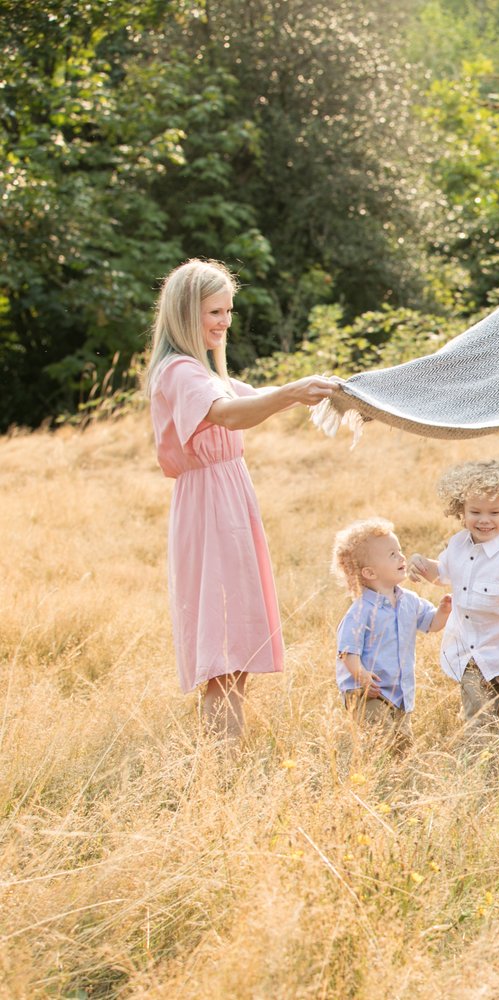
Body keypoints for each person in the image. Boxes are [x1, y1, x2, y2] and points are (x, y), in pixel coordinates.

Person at [144, 259, 341, 740]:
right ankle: (221, 769)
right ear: (185, 313)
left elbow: (254, 396)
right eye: (215, 311)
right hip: (211, 507)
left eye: (228, 311)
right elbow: (229, 414)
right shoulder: (180, 371)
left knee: (235, 653)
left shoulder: (204, 371)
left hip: (226, 501)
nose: (225, 322)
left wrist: (313, 389)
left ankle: (225, 763)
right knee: (225, 651)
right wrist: (292, 392)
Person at [407, 460, 499, 739]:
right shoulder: (458, 544)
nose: (484, 520)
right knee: (478, 725)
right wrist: (421, 564)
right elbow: (443, 574)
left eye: (494, 512)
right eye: (475, 512)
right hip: (470, 655)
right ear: (460, 511)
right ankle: (485, 771)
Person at [331, 519, 452, 748]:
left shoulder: (409, 601)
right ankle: (366, 773)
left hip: (399, 692)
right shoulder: (360, 610)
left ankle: (395, 779)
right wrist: (361, 675)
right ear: (369, 572)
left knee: (402, 744)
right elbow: (347, 651)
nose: (402, 557)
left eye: (400, 551)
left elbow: (430, 624)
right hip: (368, 692)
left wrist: (443, 611)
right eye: (392, 555)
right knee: (380, 741)